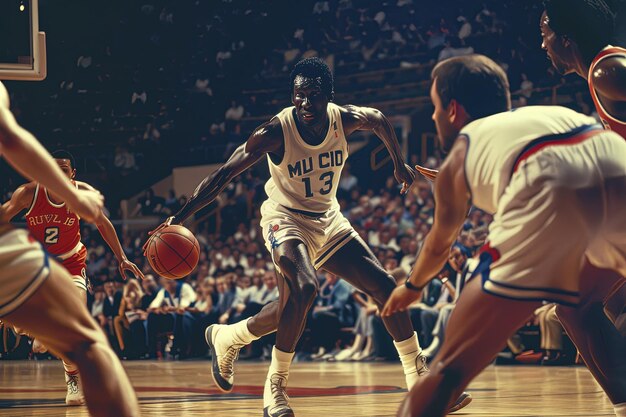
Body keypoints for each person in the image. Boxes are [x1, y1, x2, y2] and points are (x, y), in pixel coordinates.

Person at [146, 57, 470, 416]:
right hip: (284, 219)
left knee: (379, 287)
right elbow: (223, 176)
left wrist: (398, 162)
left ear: (328, 97)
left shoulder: (341, 119)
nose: (303, 104)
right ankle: (275, 387)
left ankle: (230, 337)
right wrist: (178, 217)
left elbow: (378, 119)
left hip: (328, 219)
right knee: (305, 287)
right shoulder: (274, 131)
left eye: (312, 96)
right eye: (297, 95)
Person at [382, 54, 626, 417]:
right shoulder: (544, 112)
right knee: (575, 306)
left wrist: (413, 287)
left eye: (433, 107)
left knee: (448, 368)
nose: (432, 118)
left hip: (549, 181)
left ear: (452, 110)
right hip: (616, 164)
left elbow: (439, 242)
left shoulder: (461, 153)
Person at [0, 81, 139, 417]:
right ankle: (32, 327)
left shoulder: (78, 191)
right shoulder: (29, 192)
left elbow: (104, 225)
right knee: (84, 343)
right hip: (40, 264)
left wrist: (121, 258)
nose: (58, 175)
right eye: (53, 169)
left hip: (71, 265)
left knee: (81, 332)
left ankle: (68, 375)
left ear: (72, 173)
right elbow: (12, 144)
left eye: (63, 172)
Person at [539, 2, 626, 409]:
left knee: (575, 304)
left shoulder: (608, 69)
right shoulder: (603, 74)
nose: (543, 45)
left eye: (545, 35)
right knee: (592, 302)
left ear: (565, 39)